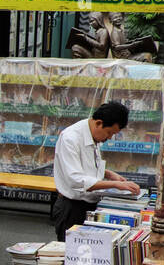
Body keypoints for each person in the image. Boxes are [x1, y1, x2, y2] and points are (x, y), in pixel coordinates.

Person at [51, 101, 141, 242]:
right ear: (99, 123)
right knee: (70, 255)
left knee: (90, 256)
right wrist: (115, 185)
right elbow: (75, 179)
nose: (109, 137)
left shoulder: (93, 135)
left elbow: (88, 164)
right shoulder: (70, 138)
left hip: (90, 204)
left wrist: (108, 173)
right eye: (109, 132)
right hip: (71, 207)